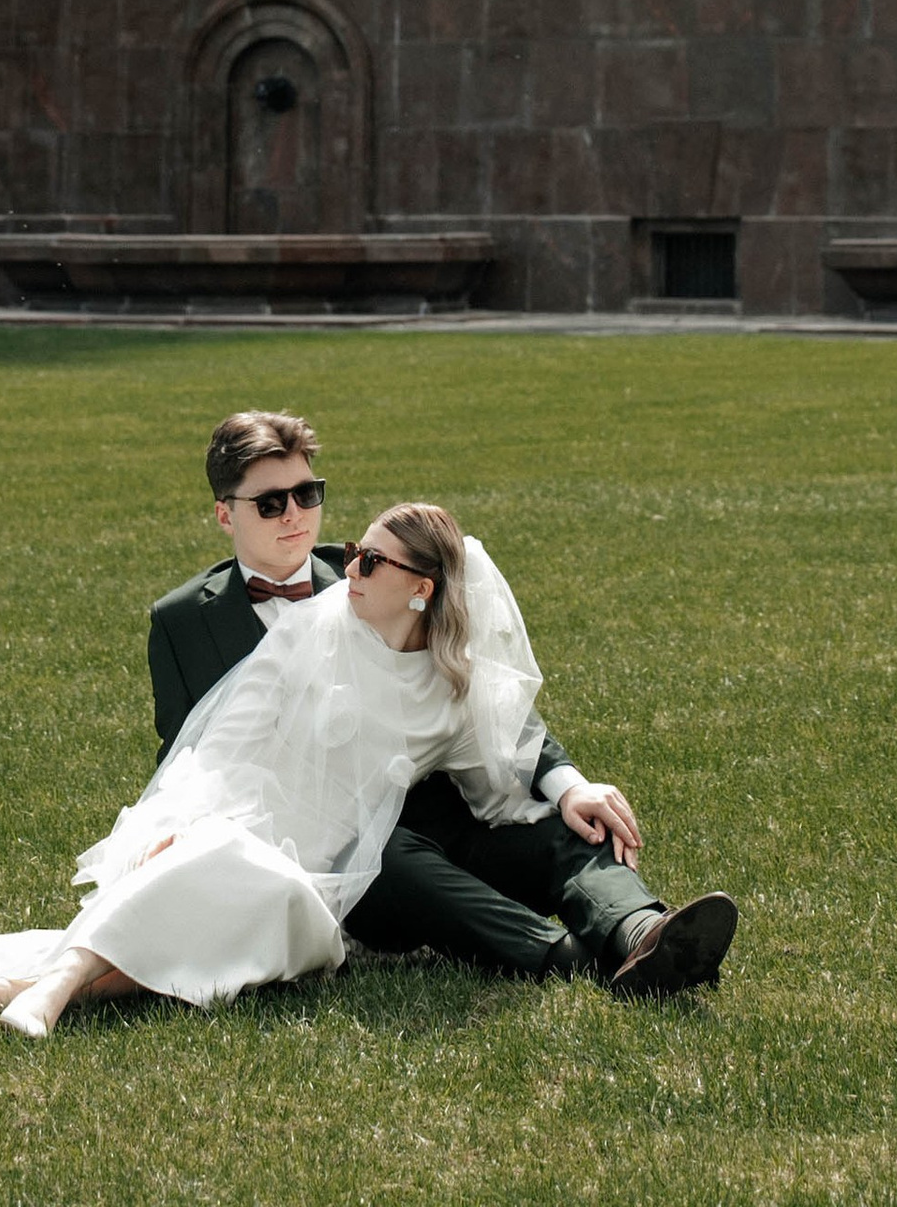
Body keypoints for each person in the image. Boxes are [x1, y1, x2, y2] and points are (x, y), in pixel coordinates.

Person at [0, 503, 639, 1033]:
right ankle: (52, 991)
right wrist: (173, 824)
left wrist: (571, 786)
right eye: (354, 553)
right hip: (256, 829)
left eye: (370, 562)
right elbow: (218, 742)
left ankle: (46, 981)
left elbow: (506, 762)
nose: (347, 568)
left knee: (269, 894)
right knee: (219, 865)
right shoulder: (311, 633)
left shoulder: (451, 690)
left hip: (334, 878)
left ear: (421, 590)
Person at [145, 409, 736, 999]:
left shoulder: (370, 571)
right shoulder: (183, 622)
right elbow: (191, 753)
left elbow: (481, 694)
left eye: (307, 493)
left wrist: (568, 783)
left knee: (563, 827)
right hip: (341, 856)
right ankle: (574, 959)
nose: (295, 513)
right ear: (226, 513)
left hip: (440, 817)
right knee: (385, 853)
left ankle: (641, 931)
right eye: (271, 503)